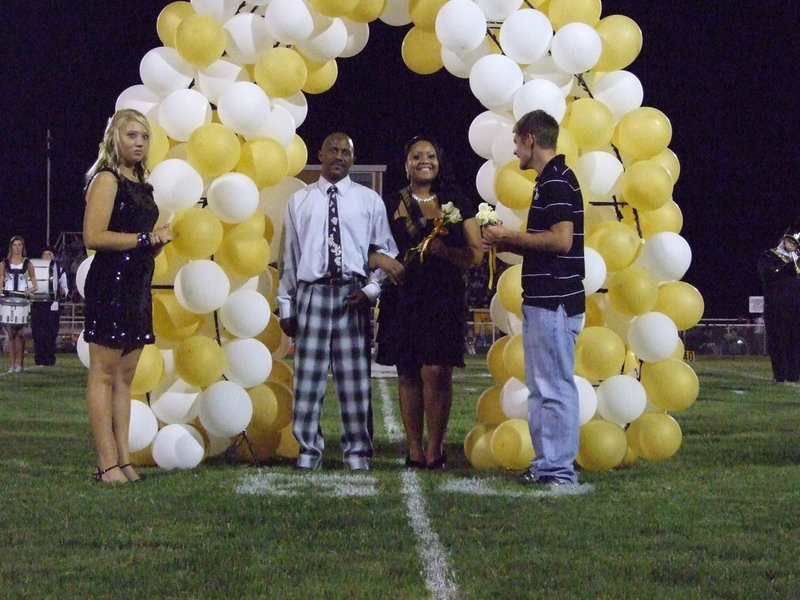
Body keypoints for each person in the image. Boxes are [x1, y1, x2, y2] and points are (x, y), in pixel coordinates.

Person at [277, 132, 404, 471]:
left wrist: (371, 291)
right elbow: (290, 255)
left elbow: (387, 251)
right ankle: (308, 450)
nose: (338, 156)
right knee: (307, 380)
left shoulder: (369, 201)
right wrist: (285, 305)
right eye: (332, 150)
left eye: (345, 151)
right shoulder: (299, 201)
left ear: (352, 158)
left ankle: (358, 452)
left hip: (353, 295)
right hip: (312, 293)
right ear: (320, 154)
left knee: (354, 381)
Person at [481, 110, 585, 486]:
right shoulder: (552, 180)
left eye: (515, 141)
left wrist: (507, 237)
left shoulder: (556, 181)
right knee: (545, 387)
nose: (513, 150)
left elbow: (560, 241)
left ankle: (558, 471)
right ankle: (548, 466)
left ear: (530, 139)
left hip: (554, 301)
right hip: (549, 300)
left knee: (554, 387)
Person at [375, 136, 483, 470]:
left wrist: (447, 252)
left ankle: (435, 448)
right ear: (406, 162)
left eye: (431, 155)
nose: (426, 161)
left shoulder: (457, 200)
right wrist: (380, 259)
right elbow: (366, 245)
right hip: (403, 296)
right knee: (408, 373)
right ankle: (414, 450)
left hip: (443, 297)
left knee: (437, 372)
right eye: (417, 156)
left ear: (439, 161)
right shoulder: (390, 202)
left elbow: (476, 255)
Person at [82, 108, 172, 484]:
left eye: (144, 137)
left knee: (125, 377)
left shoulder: (141, 182)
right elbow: (94, 237)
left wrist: (155, 244)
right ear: (115, 139)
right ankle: (106, 464)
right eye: (131, 135)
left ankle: (123, 459)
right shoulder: (107, 178)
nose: (139, 143)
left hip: (136, 284)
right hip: (110, 285)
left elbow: (138, 242)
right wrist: (144, 239)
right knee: (103, 374)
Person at [756, 225, 800, 382]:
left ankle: (794, 375)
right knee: (778, 340)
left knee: (795, 340)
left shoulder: (797, 259)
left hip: (795, 307)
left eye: (795, 244)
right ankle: (781, 375)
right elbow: (765, 274)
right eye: (791, 241)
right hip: (776, 306)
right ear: (783, 239)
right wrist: (786, 268)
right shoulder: (768, 255)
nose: (792, 245)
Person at [1, 235, 38, 373]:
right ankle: (12, 365)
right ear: (11, 247)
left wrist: (29, 290)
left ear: (23, 247)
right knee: (10, 334)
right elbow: (1, 282)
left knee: (20, 334)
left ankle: (20, 363)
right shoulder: (4, 263)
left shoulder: (27, 263)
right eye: (14, 245)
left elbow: (35, 284)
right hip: (8, 298)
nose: (17, 248)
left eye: (19, 245)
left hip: (22, 299)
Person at [31, 247, 69, 366]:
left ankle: (49, 358)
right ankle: (39, 358)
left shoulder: (60, 269)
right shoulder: (34, 269)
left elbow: (65, 288)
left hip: (52, 305)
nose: (47, 256)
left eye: (50, 254)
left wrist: (63, 291)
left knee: (51, 333)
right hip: (38, 304)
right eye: (45, 254)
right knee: (37, 332)